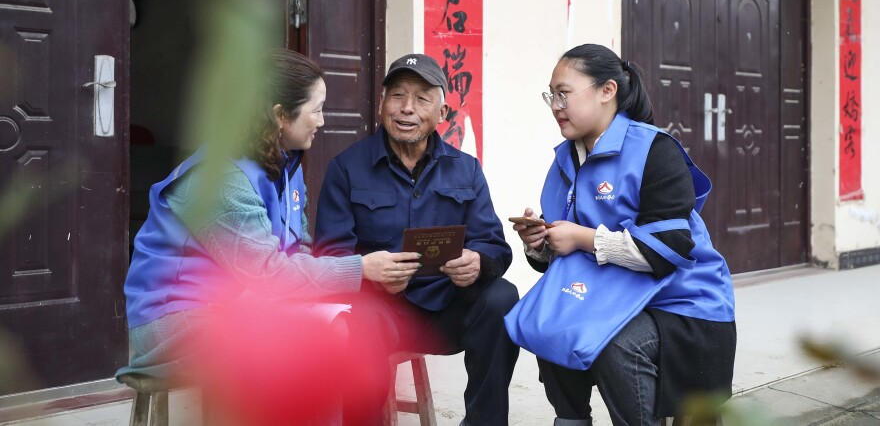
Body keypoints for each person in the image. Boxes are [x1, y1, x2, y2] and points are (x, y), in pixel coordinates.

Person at [121, 49, 420, 424]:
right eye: (316, 109)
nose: (323, 121)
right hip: (177, 321)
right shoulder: (222, 180)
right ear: (280, 115)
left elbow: (300, 252)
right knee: (310, 341)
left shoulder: (285, 167)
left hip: (241, 304)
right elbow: (268, 274)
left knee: (349, 325)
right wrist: (360, 269)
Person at [512, 43, 736, 426]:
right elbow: (565, 249)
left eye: (564, 93)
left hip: (682, 306)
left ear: (607, 91)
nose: (555, 105)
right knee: (546, 320)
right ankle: (570, 419)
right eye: (551, 95)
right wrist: (541, 244)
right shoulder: (565, 159)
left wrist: (582, 238)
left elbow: (667, 252)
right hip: (612, 296)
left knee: (616, 342)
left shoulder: (654, 149)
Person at [314, 53, 520, 426]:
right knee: (360, 318)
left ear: (442, 113)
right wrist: (368, 273)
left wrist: (477, 263)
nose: (407, 108)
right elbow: (328, 255)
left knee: (503, 297)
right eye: (397, 96)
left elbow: (494, 246)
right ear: (381, 104)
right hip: (381, 313)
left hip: (448, 311)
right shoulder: (346, 168)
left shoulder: (466, 169)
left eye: (422, 98)